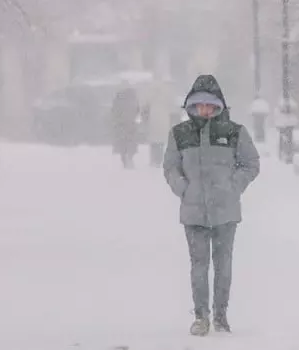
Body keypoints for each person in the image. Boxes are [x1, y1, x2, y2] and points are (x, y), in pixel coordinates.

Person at [162, 75, 260, 336]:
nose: (204, 110)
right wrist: (184, 189)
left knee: (223, 266)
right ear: (191, 106)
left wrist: (234, 186)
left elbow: (251, 163)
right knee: (199, 266)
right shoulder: (179, 134)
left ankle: (221, 316)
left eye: (210, 105)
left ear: (219, 105)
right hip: (193, 212)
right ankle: (200, 316)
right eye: (199, 105)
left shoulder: (234, 132)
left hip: (225, 212)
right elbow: (170, 167)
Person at [145, 77, 175, 167]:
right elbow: (171, 105)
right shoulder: (166, 93)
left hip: (153, 118)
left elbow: (146, 103)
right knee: (160, 141)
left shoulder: (150, 92)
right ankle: (158, 159)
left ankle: (154, 159)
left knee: (154, 141)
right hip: (163, 118)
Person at [110, 86, 140, 168]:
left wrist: (116, 120)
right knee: (130, 142)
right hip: (130, 124)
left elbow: (114, 111)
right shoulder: (133, 99)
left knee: (122, 143)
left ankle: (125, 159)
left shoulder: (118, 100)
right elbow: (137, 110)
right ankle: (129, 158)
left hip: (121, 124)